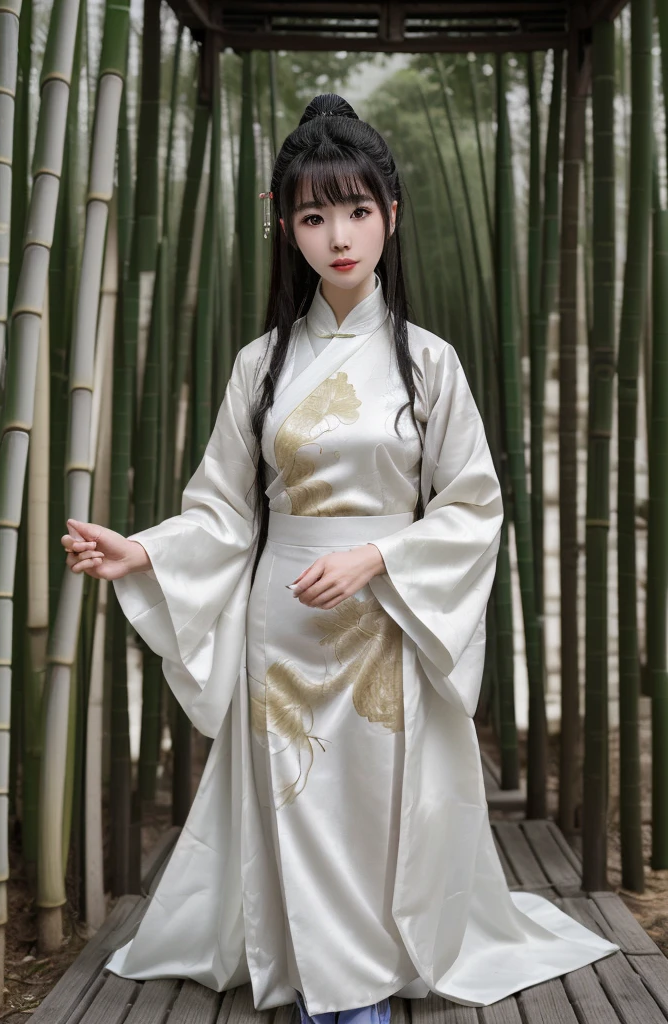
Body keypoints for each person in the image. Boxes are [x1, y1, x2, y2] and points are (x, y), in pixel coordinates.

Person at [62, 93, 619, 1020]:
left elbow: (473, 505)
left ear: (390, 217)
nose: (339, 236)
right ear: (288, 227)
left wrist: (376, 559)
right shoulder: (261, 365)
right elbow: (223, 511)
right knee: (300, 800)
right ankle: (330, 978)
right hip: (280, 624)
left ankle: (369, 963)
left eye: (357, 210)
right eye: (314, 216)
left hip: (387, 617)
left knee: (375, 806)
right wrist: (147, 554)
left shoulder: (428, 364)